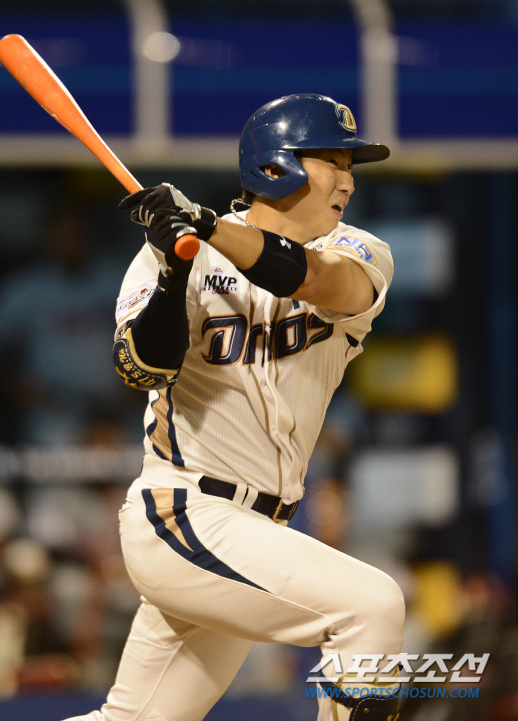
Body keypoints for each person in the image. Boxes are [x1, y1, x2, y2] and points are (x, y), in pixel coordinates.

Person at [65, 94, 404, 721]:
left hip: (257, 531)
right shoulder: (177, 252)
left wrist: (206, 227)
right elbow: (141, 368)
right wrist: (173, 273)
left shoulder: (362, 250)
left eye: (350, 166)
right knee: (372, 607)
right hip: (184, 513)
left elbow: (319, 281)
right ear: (276, 167)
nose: (348, 182)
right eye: (332, 162)